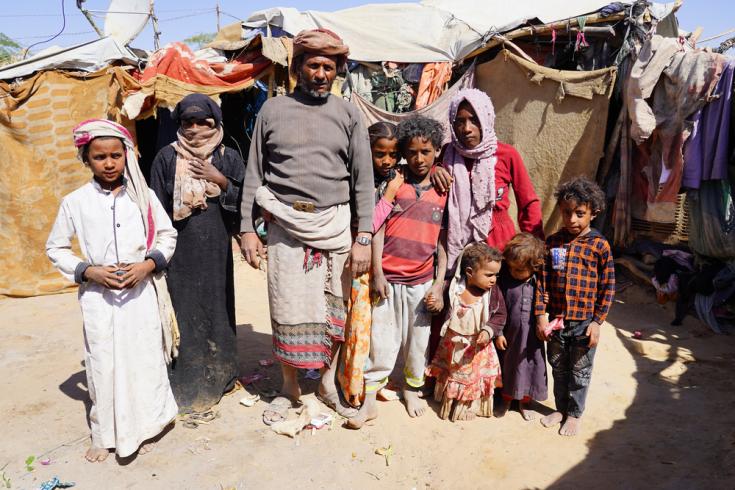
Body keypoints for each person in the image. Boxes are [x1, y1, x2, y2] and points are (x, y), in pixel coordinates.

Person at [239, 29, 374, 423]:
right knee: (286, 307)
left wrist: (363, 236)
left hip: (334, 225)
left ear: (337, 71)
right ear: (297, 68)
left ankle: (326, 383)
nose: (320, 73)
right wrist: (248, 229)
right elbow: (254, 173)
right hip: (284, 225)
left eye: (328, 67)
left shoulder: (348, 114)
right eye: (312, 65)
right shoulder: (272, 110)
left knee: (333, 313)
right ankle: (289, 387)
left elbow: (362, 180)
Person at [46, 119, 178, 461]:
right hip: (98, 297)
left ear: (127, 156)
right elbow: (56, 248)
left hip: (140, 294)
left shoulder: (143, 197)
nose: (109, 163)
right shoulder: (74, 202)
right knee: (102, 362)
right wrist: (89, 271)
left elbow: (167, 236)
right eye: (100, 157)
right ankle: (104, 434)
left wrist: (146, 266)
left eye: (116, 156)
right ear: (85, 159)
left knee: (143, 358)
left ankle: (148, 425)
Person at [348, 116, 448, 429]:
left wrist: (439, 283)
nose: (419, 158)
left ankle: (412, 390)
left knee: (417, 341)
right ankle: (369, 398)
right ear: (404, 153)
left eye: (426, 152)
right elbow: (377, 231)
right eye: (413, 152)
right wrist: (377, 272)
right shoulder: (396, 184)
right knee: (382, 338)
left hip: (421, 281)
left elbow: (444, 241)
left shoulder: (444, 188)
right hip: (389, 278)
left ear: (436, 152)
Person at [150, 94, 245, 414]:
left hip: (216, 248)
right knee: (184, 311)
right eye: (187, 122)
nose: (194, 128)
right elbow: (156, 210)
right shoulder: (166, 157)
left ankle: (222, 374)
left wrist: (219, 180)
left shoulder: (228, 156)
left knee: (217, 308)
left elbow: (246, 204)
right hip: (181, 251)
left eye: (201, 121)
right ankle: (186, 379)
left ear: (214, 121)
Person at [534, 176, 615, 436]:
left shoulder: (599, 245)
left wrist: (597, 322)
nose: (572, 219)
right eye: (567, 213)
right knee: (558, 366)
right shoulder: (553, 242)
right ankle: (560, 408)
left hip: (583, 323)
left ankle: (575, 414)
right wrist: (540, 316)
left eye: (580, 213)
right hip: (557, 320)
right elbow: (542, 282)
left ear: (593, 213)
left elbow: (608, 286)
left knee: (580, 370)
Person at [427, 242, 505, 422]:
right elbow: (439, 302)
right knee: (453, 374)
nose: (493, 279)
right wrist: (434, 302)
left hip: (477, 347)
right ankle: (449, 400)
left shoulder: (493, 293)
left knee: (472, 378)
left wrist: (489, 329)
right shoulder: (453, 287)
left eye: (496, 275)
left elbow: (501, 314)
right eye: (489, 275)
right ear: (469, 272)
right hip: (453, 344)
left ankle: (469, 406)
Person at [496, 232, 548, 421]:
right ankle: (506, 399)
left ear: (534, 267)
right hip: (508, 337)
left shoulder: (538, 283)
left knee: (530, 368)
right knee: (507, 367)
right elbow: (497, 308)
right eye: (511, 268)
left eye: (519, 270)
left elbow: (544, 306)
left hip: (531, 339)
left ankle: (525, 402)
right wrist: (499, 333)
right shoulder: (503, 281)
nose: (514, 272)